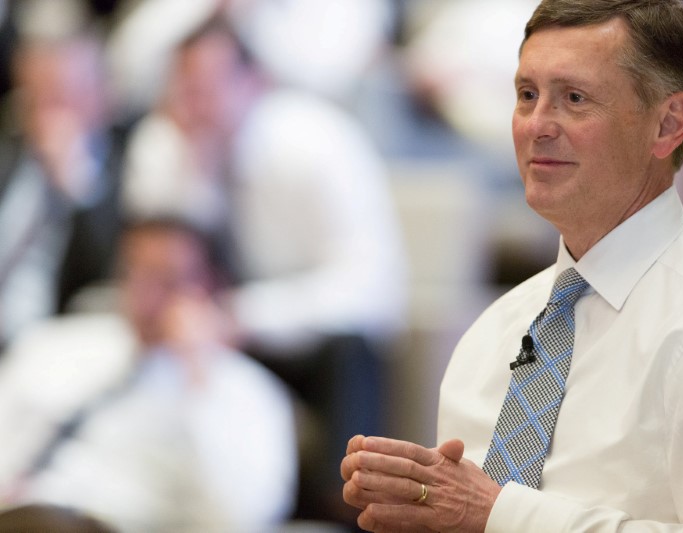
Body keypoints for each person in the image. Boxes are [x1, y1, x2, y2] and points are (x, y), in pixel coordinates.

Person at [341, 1, 683, 531]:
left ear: (668, 124)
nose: (536, 126)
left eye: (574, 99)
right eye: (526, 95)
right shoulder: (494, 332)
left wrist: (496, 514)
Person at [121, 14, 406, 526]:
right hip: (210, 329)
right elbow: (147, 263)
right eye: (182, 87)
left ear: (254, 82)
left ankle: (347, 515)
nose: (192, 104)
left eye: (207, 86)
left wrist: (244, 316)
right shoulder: (163, 149)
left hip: (310, 339)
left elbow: (372, 290)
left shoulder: (316, 143)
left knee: (351, 351)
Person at [0, 217, 297, 532]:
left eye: (166, 279)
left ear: (211, 288)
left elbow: (241, 518)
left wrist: (198, 379)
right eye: (133, 273)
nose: (145, 294)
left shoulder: (245, 392)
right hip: (21, 511)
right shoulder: (54, 344)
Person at [0, 26, 128, 349]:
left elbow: (107, 276)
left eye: (63, 95)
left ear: (103, 95)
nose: (48, 112)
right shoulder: (9, 152)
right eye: (37, 95)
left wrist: (77, 182)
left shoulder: (127, 163)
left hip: (58, 344)